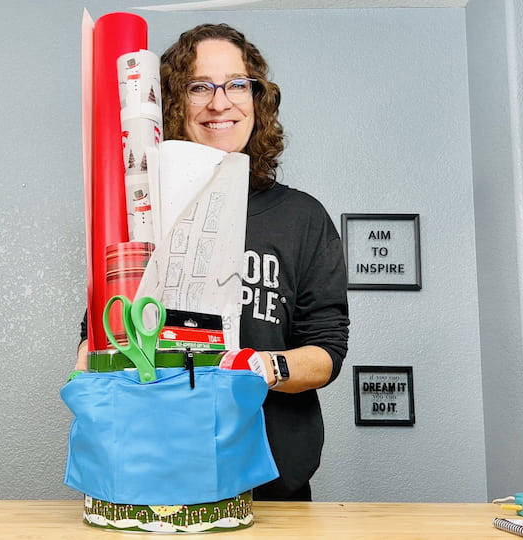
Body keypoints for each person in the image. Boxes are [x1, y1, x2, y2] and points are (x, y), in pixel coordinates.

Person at [76, 22, 349, 502]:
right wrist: (94, 377)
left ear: (256, 99)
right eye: (199, 86)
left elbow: (326, 350)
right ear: (172, 105)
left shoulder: (302, 217)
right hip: (151, 475)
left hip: (271, 484)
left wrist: (261, 365)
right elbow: (103, 334)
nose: (219, 102)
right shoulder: (141, 213)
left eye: (236, 84)